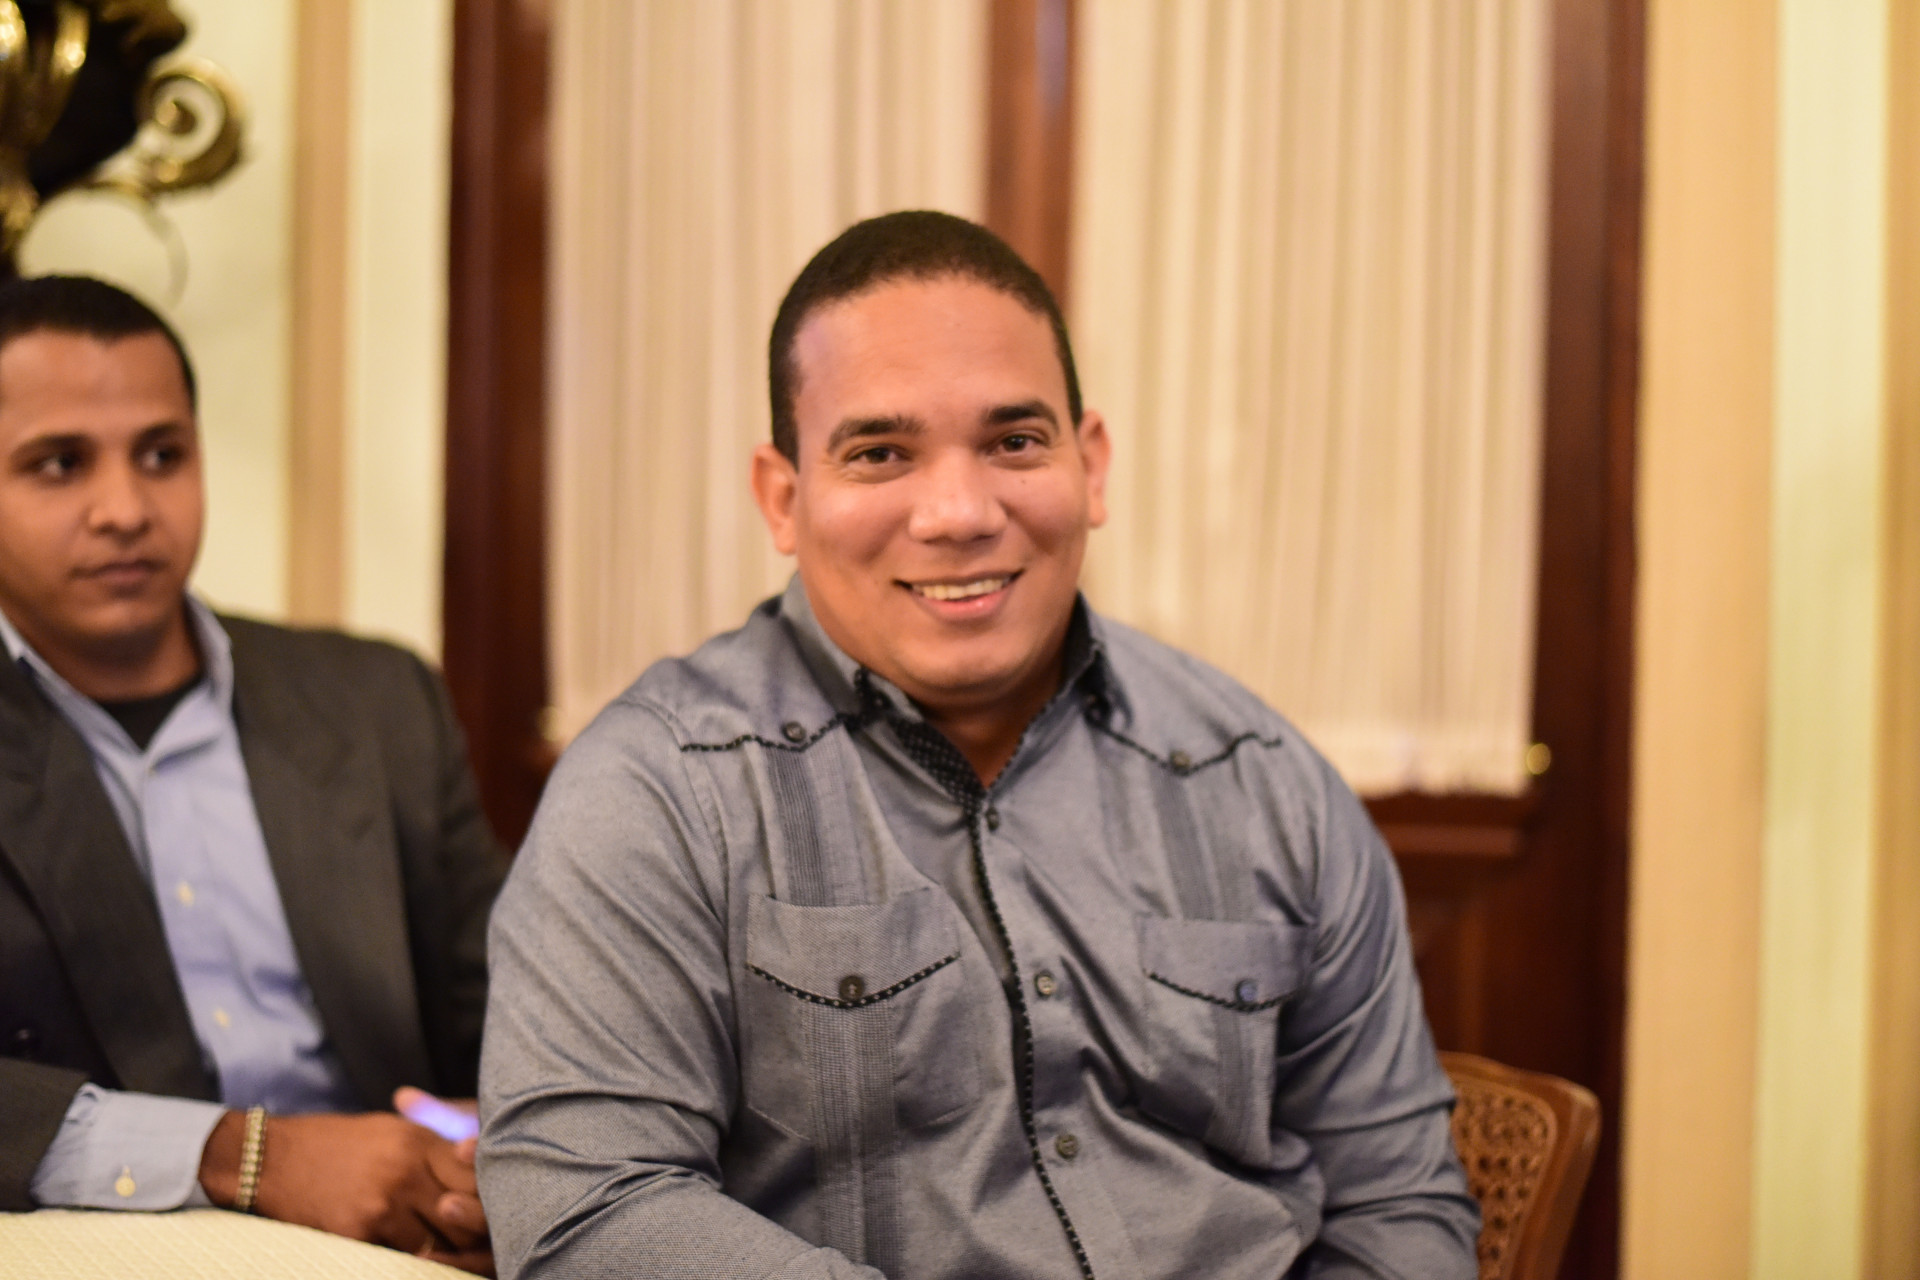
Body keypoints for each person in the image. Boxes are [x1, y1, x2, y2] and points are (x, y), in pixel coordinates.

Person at [479, 211, 1479, 1279]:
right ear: (785, 497)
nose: (958, 512)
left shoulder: (1265, 780)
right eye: (880, 453)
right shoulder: (656, 791)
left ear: (1091, 465)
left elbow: (1398, 1202)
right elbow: (591, 1208)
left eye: (1013, 442)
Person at [0, 275, 505, 1273]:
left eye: (162, 455)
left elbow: (511, 1001)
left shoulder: (375, 700)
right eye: (59, 464)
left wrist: (506, 1141)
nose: (125, 509)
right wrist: (245, 1155)